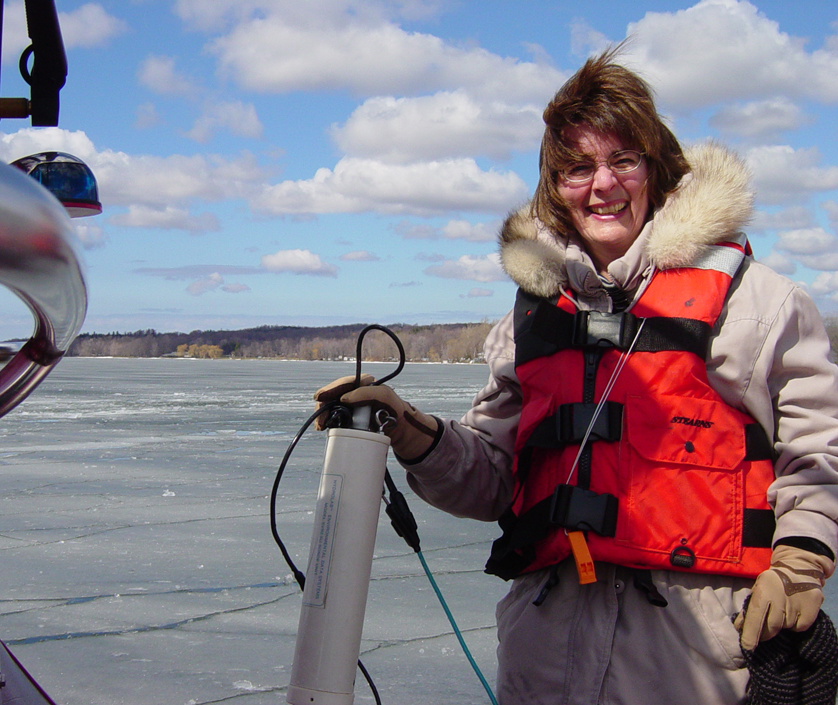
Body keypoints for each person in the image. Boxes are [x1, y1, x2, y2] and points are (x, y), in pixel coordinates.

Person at [314, 48, 838, 704]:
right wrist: (413, 432)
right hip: (547, 654)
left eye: (623, 160)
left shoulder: (760, 304)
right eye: (577, 167)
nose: (602, 185)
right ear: (553, 184)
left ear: (656, 165)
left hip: (697, 657)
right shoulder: (532, 317)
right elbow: (493, 478)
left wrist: (799, 562)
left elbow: (821, 451)